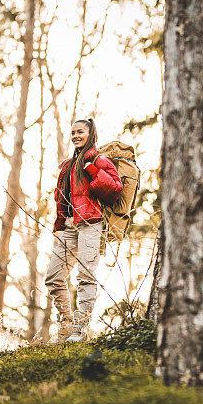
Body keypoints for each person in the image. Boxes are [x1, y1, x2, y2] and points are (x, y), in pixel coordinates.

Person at [44, 118, 123, 343]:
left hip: (91, 223)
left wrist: (92, 169)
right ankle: (66, 324)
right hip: (70, 225)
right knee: (53, 276)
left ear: (91, 134)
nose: (76, 136)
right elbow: (61, 197)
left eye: (80, 132)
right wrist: (60, 224)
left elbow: (114, 190)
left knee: (86, 275)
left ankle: (81, 328)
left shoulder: (99, 160)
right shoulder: (68, 164)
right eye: (73, 132)